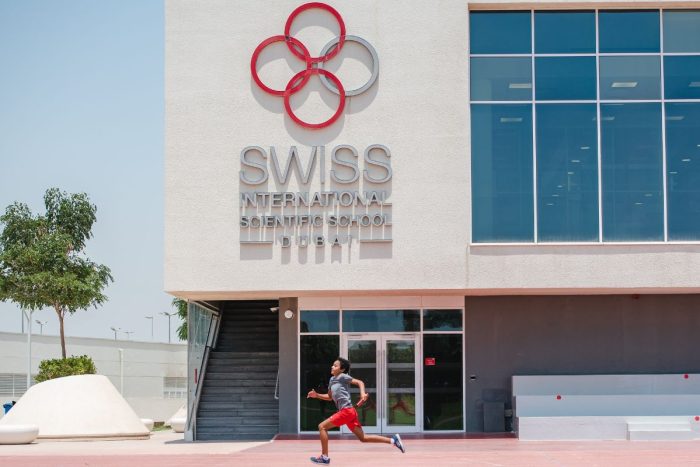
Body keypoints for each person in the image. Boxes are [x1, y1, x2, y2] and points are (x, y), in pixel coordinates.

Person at [307, 357, 405, 464]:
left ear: (342, 369)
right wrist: (316, 395)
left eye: (335, 365)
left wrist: (362, 394)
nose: (332, 366)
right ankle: (393, 440)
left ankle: (324, 457)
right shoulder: (332, 380)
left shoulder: (342, 376)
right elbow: (330, 397)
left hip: (346, 411)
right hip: (349, 412)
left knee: (322, 427)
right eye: (332, 365)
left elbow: (360, 382)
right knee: (363, 438)